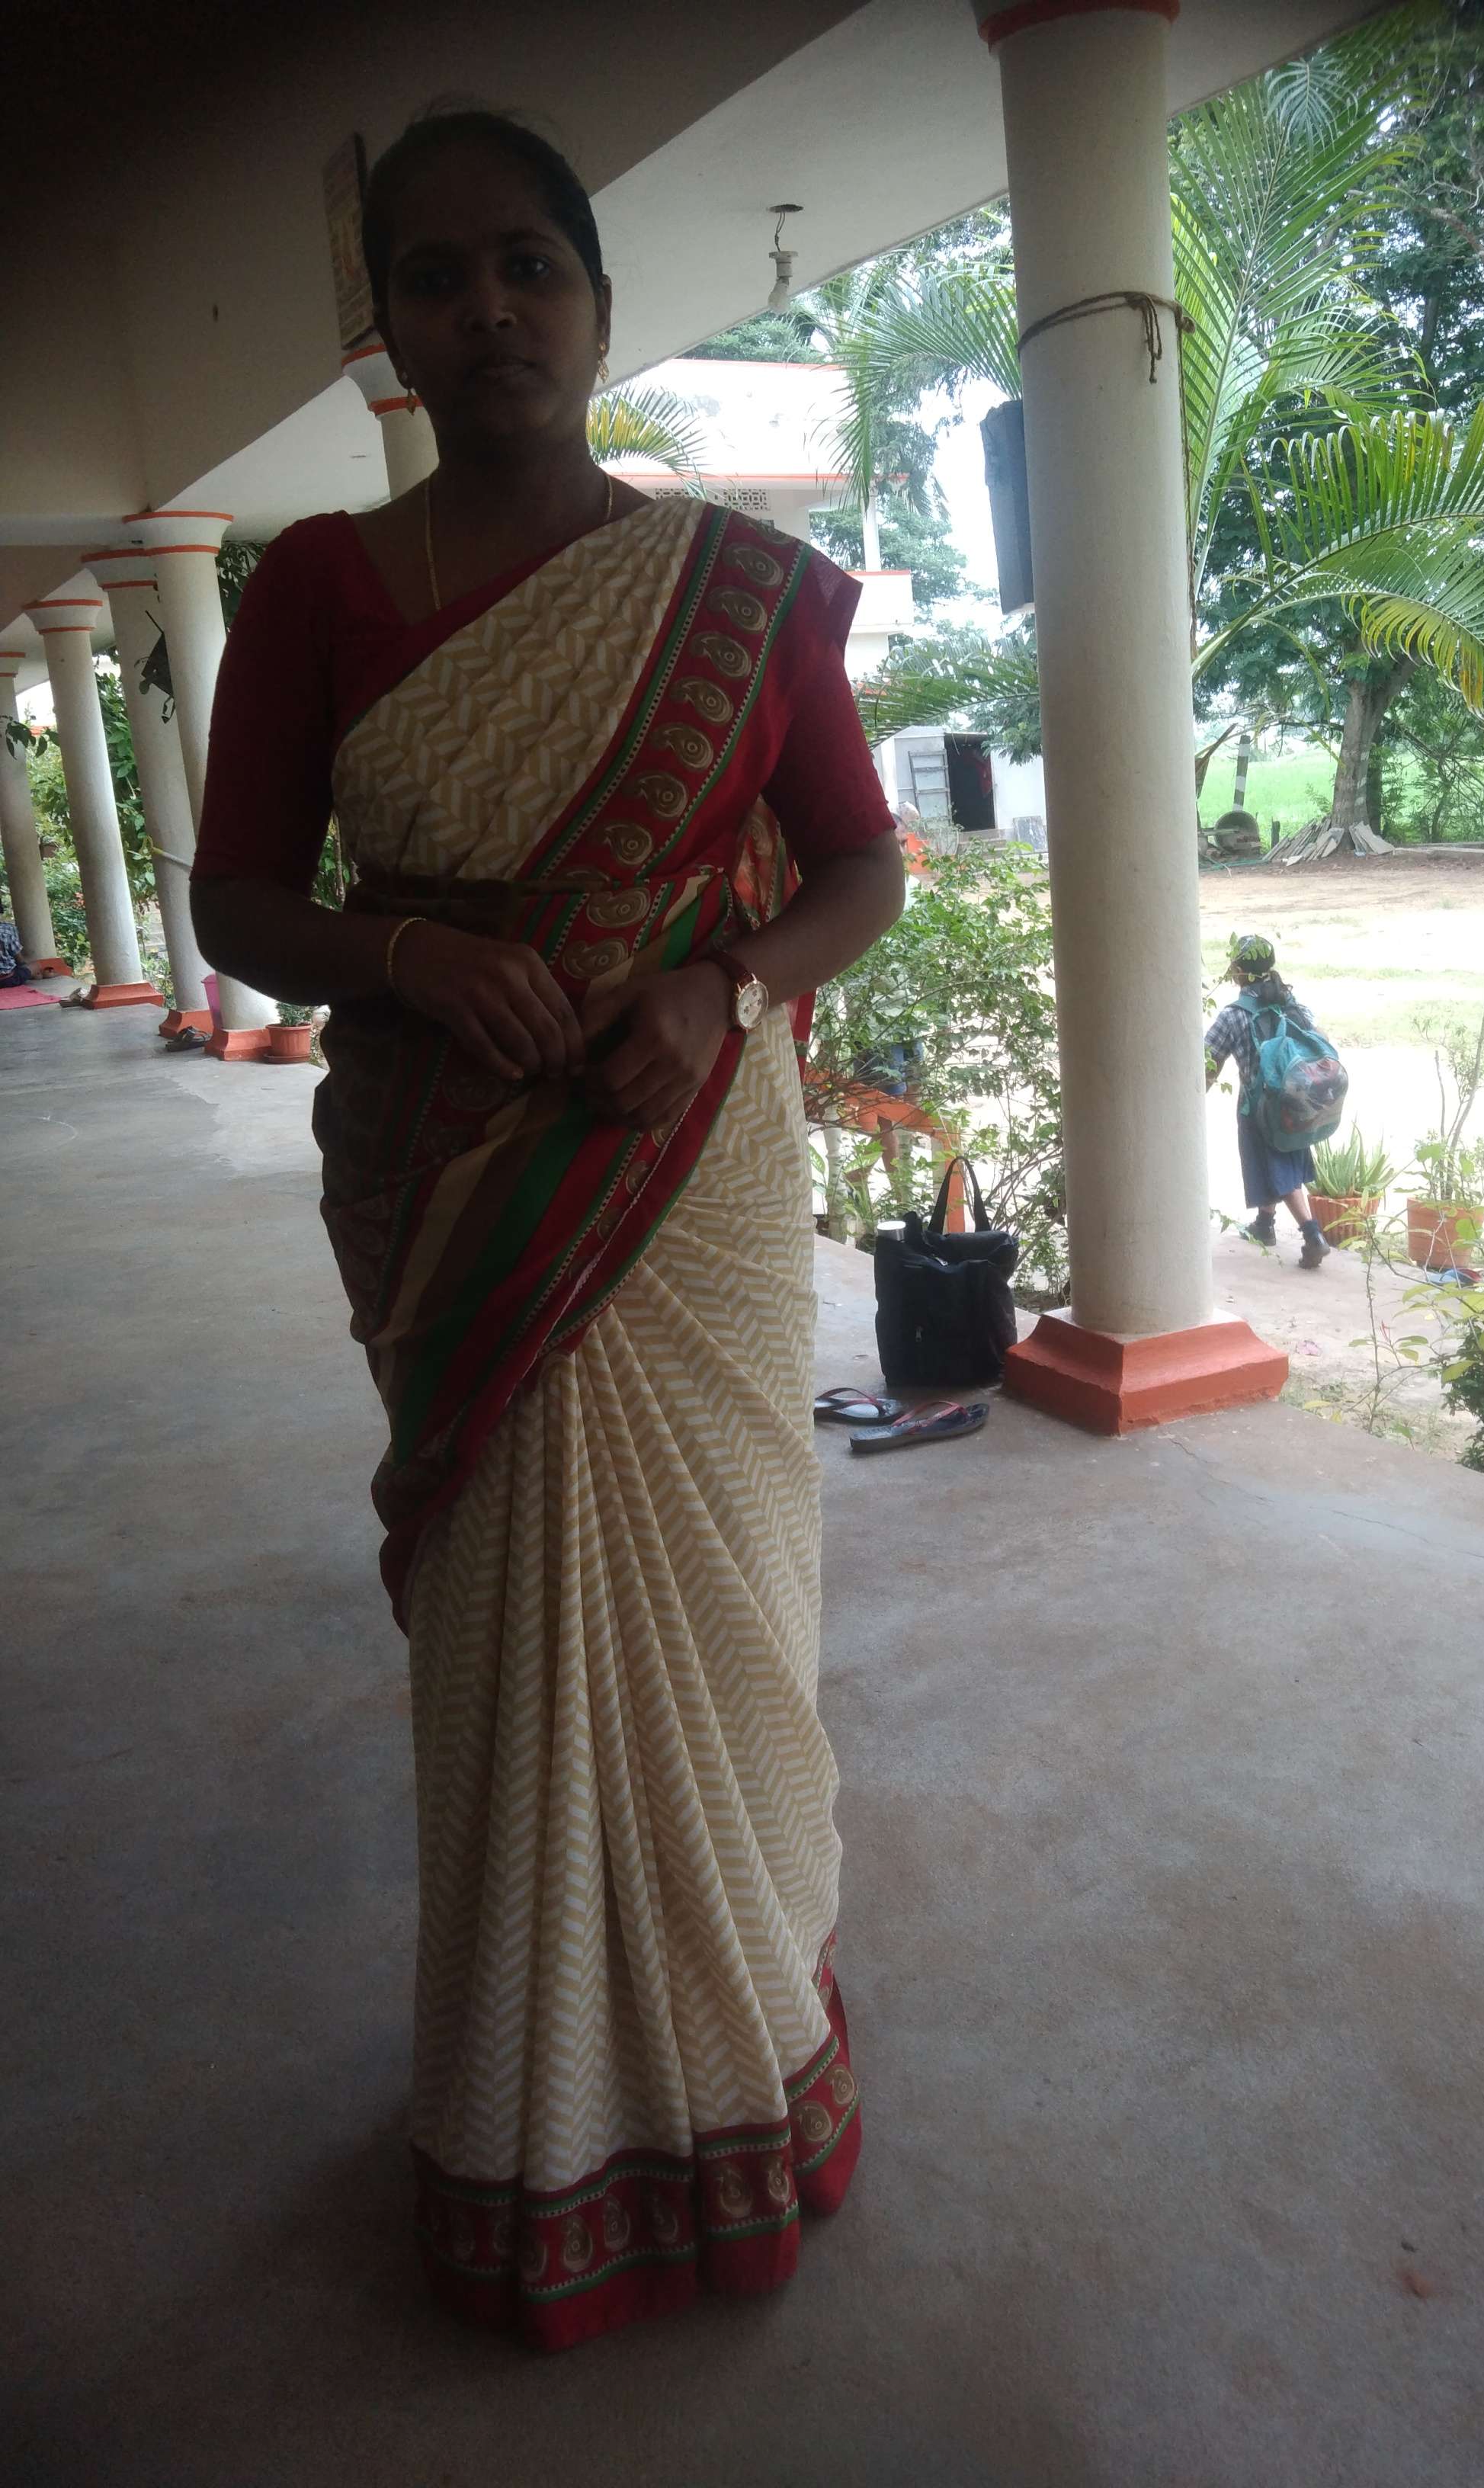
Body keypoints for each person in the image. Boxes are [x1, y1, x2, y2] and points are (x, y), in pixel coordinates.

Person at [190, 109, 905, 2352]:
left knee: (722, 1620)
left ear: (596, 302)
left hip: (692, 1172)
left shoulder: (737, 590)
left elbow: (859, 867)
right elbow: (237, 899)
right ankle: (540, 2129)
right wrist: (406, 955)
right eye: (437, 276)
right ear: (388, 330)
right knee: (512, 1647)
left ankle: (741, 2068)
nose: (487, 309)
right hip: (457, 1174)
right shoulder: (318, 585)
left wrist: (725, 987)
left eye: (528, 265)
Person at [1205, 931, 1330, 1270]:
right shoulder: (1291, 1003)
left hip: (1259, 1110)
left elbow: (1207, 1062)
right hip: (1298, 1104)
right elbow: (1320, 1040)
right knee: (1282, 1162)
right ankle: (1264, 1224)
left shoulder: (1233, 1015)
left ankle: (1312, 1234)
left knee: (1277, 1170)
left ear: (1237, 971)